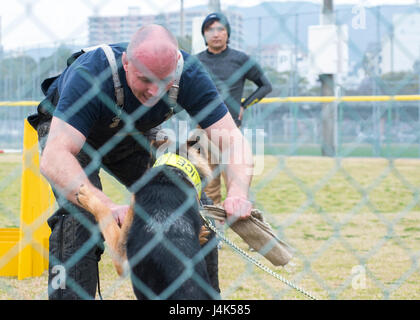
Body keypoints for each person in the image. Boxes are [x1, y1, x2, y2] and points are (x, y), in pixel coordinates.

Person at [34, 24, 254, 299]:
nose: (154, 92)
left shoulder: (190, 73)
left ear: (176, 65)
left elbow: (232, 141)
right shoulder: (91, 73)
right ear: (126, 63)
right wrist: (103, 205)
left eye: (164, 81)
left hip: (131, 134)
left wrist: (237, 192)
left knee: (192, 211)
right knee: (80, 217)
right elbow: (55, 155)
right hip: (67, 135)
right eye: (145, 79)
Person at [196, 12, 272, 209]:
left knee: (236, 184)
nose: (216, 34)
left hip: (230, 131)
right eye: (210, 29)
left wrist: (244, 105)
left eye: (220, 29)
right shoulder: (195, 62)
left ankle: (237, 218)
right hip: (202, 130)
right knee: (206, 186)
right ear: (204, 34)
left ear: (228, 34)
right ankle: (212, 232)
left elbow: (265, 86)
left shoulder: (240, 59)